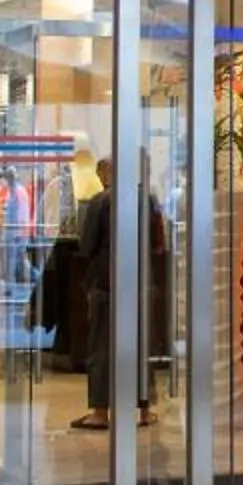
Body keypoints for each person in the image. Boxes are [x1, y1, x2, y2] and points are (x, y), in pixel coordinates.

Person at [70, 157, 169, 432]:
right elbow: (159, 243)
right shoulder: (148, 199)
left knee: (102, 346)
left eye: (101, 174)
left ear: (106, 174)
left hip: (106, 282)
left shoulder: (100, 201)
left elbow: (87, 245)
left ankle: (101, 412)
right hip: (141, 280)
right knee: (141, 344)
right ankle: (145, 410)